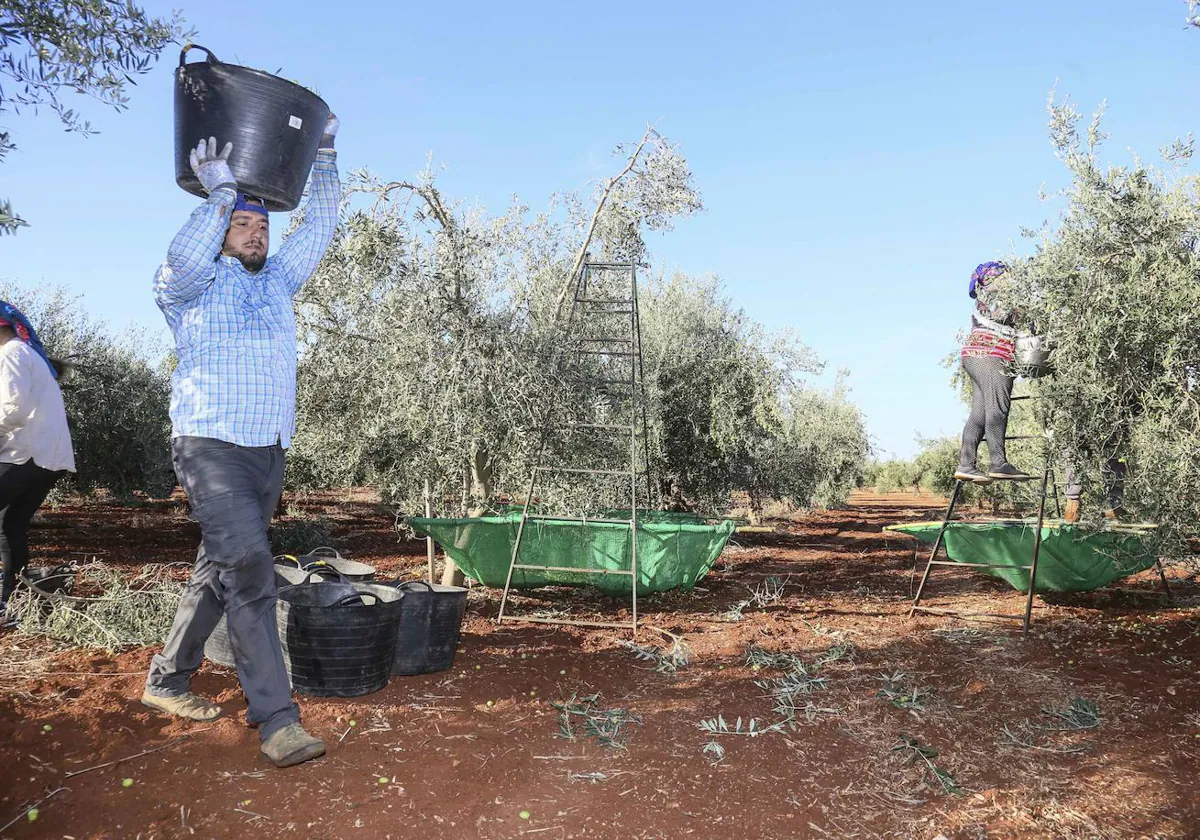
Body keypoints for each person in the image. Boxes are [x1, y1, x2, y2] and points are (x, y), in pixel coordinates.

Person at [141, 114, 340, 768]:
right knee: (250, 571)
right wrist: (220, 195)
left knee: (218, 568)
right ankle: (277, 719)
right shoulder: (187, 290)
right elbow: (185, 256)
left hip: (266, 451)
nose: (255, 234)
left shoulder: (278, 281)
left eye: (261, 225)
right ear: (221, 230)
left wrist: (326, 150)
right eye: (241, 226)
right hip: (209, 445)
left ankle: (167, 679)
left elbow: (320, 227)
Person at [0, 302, 75, 627]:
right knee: (9, 528)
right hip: (48, 458)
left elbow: (13, 410)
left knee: (9, 529)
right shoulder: (26, 355)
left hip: (28, 454)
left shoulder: (12, 354)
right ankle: (12, 605)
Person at [953, 261, 1032, 484]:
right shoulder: (999, 294)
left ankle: (966, 465)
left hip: (972, 355)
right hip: (992, 355)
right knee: (998, 407)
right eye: (1006, 275)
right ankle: (999, 463)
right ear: (997, 276)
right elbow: (1019, 317)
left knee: (979, 413)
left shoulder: (984, 296)